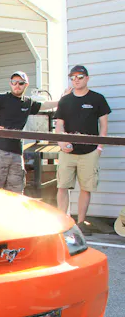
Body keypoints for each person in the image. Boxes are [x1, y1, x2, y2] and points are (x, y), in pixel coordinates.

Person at [0, 71, 58, 193]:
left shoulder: (28, 102)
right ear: (10, 84)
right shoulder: (1, 98)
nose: (17, 85)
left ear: (26, 85)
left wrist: (62, 101)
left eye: (21, 83)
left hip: (17, 154)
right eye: (14, 82)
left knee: (16, 192)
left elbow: (44, 105)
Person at [55, 65, 110, 234]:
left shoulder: (97, 99)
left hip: (90, 152)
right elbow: (59, 124)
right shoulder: (65, 100)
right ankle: (63, 222)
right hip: (67, 152)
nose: (76, 80)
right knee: (62, 186)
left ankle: (81, 223)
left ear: (87, 78)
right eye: (72, 77)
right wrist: (61, 142)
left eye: (80, 77)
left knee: (86, 188)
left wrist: (99, 147)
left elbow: (104, 125)